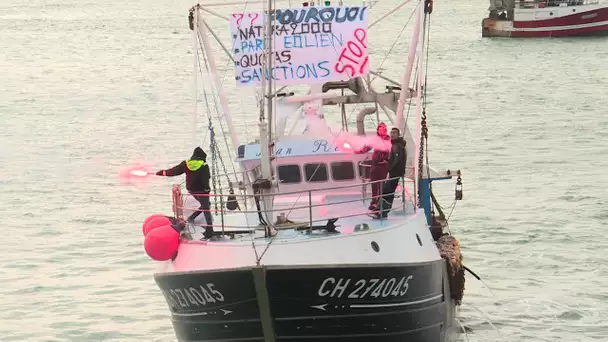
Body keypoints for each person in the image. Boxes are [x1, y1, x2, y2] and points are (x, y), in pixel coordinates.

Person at [156, 147, 213, 238]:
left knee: (206, 205)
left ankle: (192, 218)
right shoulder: (204, 165)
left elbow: (175, 171)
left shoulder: (186, 164)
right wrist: (206, 190)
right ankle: (210, 230)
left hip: (192, 190)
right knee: (206, 208)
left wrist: (163, 173)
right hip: (203, 191)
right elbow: (207, 177)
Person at [372, 127, 406, 219]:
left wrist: (390, 168)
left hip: (394, 174)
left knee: (387, 192)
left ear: (398, 134)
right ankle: (381, 211)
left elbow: (397, 159)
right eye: (391, 132)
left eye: (394, 132)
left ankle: (381, 211)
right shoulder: (397, 145)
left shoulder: (397, 146)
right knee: (388, 193)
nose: (392, 134)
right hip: (394, 173)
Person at [356, 122, 391, 210]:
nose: (381, 131)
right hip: (375, 165)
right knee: (374, 184)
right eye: (380, 129)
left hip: (383, 165)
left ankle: (380, 202)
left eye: (383, 129)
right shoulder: (376, 140)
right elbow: (368, 147)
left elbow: (389, 150)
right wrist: (359, 151)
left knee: (381, 184)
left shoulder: (388, 140)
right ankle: (374, 201)